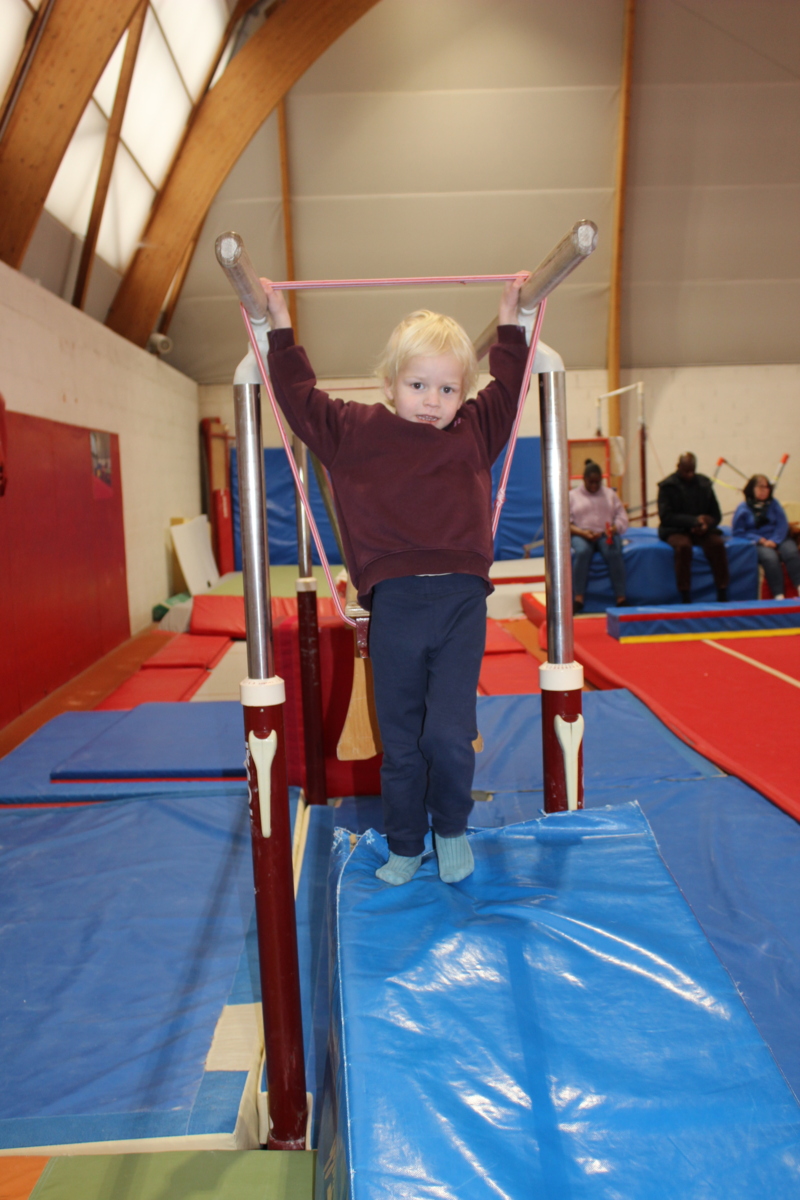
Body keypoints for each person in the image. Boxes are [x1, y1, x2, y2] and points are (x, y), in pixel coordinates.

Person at [260, 273, 529, 886]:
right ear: (390, 384)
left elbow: (510, 387)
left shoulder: (474, 431)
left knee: (451, 736)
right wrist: (279, 327)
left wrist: (510, 321)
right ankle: (406, 843)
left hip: (461, 605)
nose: (432, 401)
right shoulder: (357, 432)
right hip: (396, 608)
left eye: (447, 389)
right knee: (402, 743)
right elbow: (299, 398)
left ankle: (451, 829)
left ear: (462, 393)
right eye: (417, 385)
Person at [658, 452, 729, 603]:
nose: (689, 475)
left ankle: (722, 590)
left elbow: (716, 515)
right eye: (686, 471)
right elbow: (666, 517)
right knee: (683, 547)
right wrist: (692, 521)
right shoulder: (667, 486)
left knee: (717, 544)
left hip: (701, 529)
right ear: (678, 467)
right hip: (676, 529)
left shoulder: (704, 484)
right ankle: (685, 594)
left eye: (692, 471)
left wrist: (706, 522)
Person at [568, 459, 628, 610]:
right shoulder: (572, 496)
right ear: (584, 479)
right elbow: (565, 523)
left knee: (614, 552)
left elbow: (622, 516)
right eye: (591, 482)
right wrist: (582, 532)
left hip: (604, 534)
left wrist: (614, 528)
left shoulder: (610, 494)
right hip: (581, 534)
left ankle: (621, 598)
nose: (594, 485)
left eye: (597, 482)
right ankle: (579, 598)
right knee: (582, 552)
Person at [732, 475, 800, 599]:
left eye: (767, 487)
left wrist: (775, 540)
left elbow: (782, 524)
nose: (764, 490)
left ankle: (799, 586)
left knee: (791, 552)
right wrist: (760, 540)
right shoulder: (743, 508)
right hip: (759, 541)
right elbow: (738, 531)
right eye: (760, 487)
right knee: (770, 558)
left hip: (778, 537)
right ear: (752, 489)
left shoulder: (774, 504)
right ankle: (778, 595)